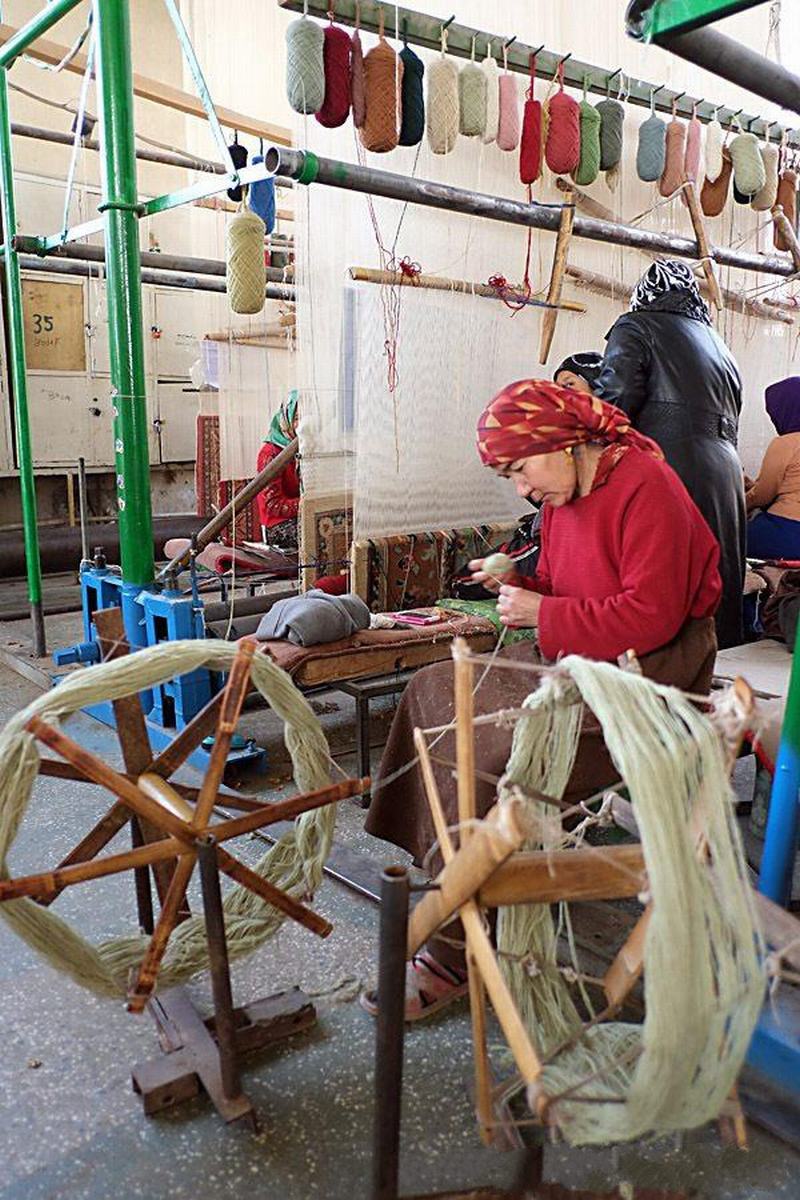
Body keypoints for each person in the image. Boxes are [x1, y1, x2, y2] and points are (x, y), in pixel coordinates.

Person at [362, 380, 721, 1020]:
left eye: (521, 468)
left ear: (564, 441)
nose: (523, 489)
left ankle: (453, 944)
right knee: (433, 691)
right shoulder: (564, 497)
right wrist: (520, 579)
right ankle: (446, 866)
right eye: (511, 476)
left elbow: (653, 615)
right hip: (581, 654)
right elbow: (562, 581)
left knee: (495, 748)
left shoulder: (649, 489)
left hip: (648, 674)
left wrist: (542, 611)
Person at [593, 259, 745, 649]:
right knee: (715, 570)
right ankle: (713, 668)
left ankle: (665, 676)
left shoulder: (636, 325)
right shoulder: (720, 346)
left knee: (668, 575)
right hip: (725, 473)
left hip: (670, 462)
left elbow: (615, 401)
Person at [746, 378, 800, 560]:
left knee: (726, 539)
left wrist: (738, 504)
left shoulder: (786, 443)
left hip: (789, 531)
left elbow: (763, 495)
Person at [256, 390, 300, 549]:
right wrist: (309, 504)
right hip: (277, 526)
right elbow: (272, 505)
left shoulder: (306, 449)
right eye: (296, 418)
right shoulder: (270, 454)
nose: (301, 425)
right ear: (285, 419)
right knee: (321, 534)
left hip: (303, 517)